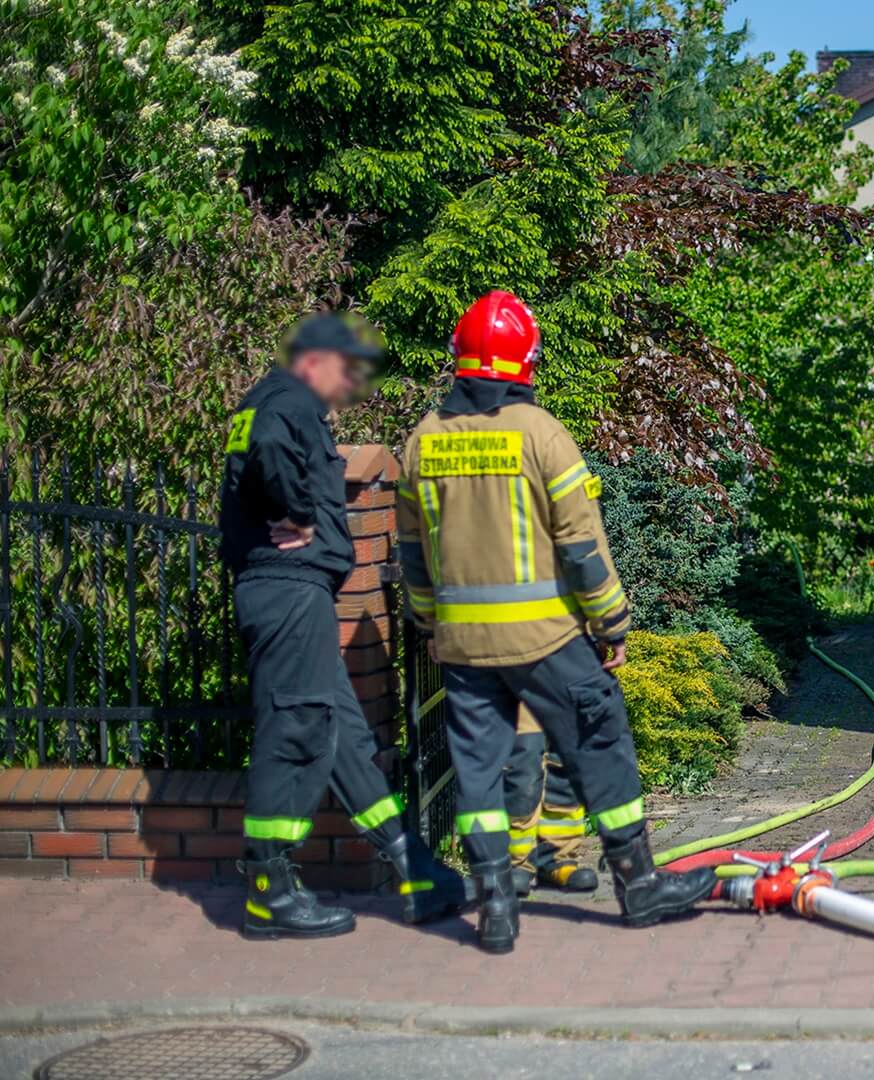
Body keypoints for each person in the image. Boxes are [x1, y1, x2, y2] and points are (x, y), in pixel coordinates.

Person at [396, 290, 715, 954]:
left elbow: (412, 555)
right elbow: (580, 544)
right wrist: (611, 625)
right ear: (525, 363)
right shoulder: (540, 434)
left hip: (461, 646)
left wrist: (431, 624)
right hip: (547, 640)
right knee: (601, 742)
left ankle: (496, 907)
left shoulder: (422, 441)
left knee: (478, 773)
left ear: (460, 360)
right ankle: (639, 886)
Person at [217, 312, 467, 941]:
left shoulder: (272, 400)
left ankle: (411, 864)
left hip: (292, 591)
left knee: (344, 736)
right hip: (286, 586)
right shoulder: (286, 401)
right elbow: (272, 451)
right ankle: (269, 890)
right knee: (297, 726)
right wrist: (298, 512)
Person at [504, 704, 599, 896]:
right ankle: (517, 864)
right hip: (518, 679)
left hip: (569, 680)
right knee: (523, 763)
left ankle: (557, 858)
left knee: (567, 758)